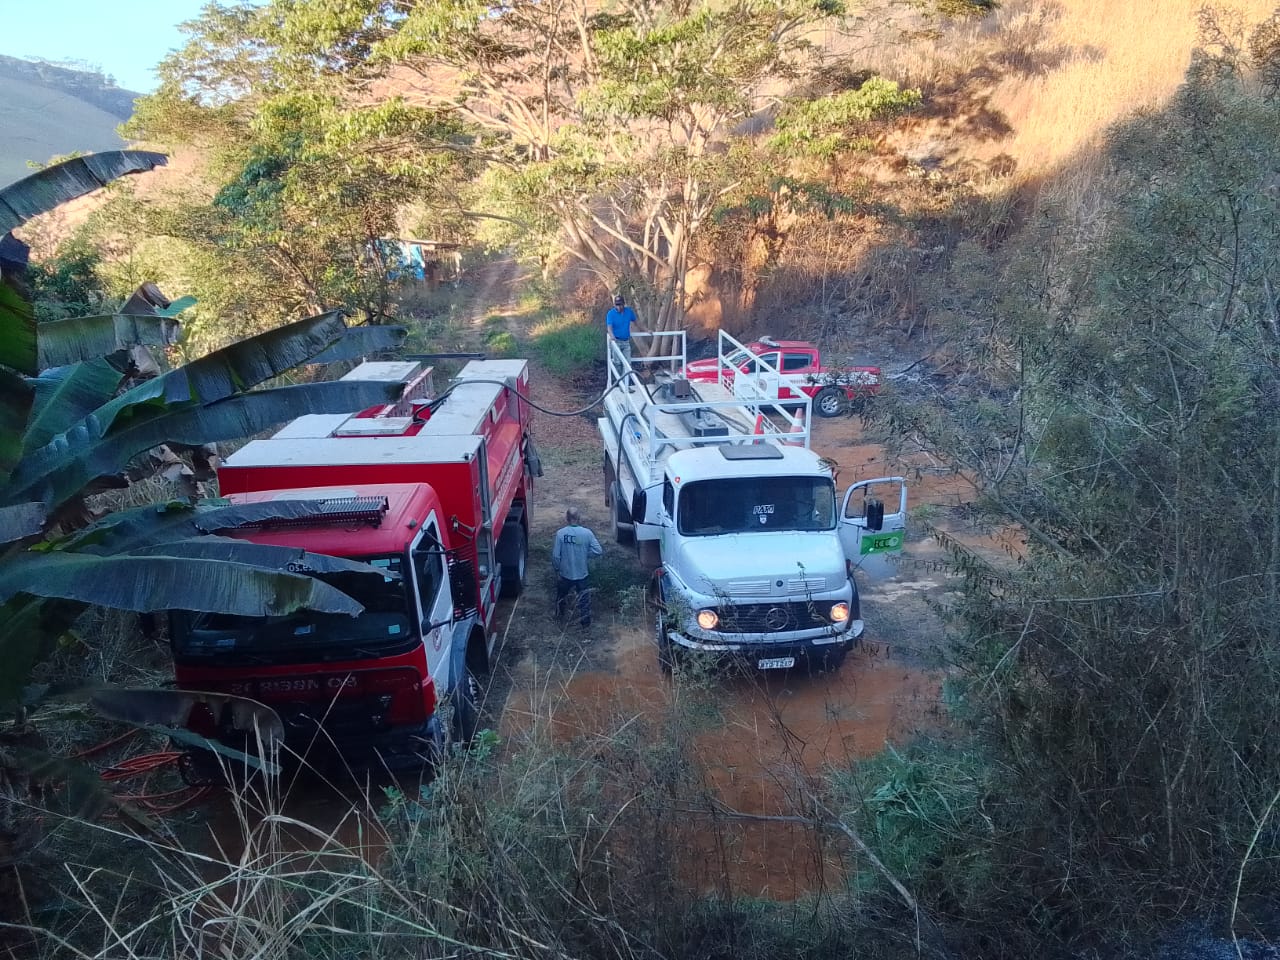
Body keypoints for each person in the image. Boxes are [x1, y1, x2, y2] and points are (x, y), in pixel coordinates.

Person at [552, 507, 604, 629]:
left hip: (565, 573)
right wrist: (586, 555)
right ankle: (585, 624)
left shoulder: (561, 534)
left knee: (561, 596)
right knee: (584, 599)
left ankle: (560, 618)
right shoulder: (587, 533)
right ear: (579, 518)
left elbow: (555, 556)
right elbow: (598, 551)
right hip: (582, 573)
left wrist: (557, 570)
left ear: (567, 518)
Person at [605, 294, 637, 390]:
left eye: (620, 305)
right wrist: (613, 337)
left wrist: (647, 330)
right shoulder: (610, 314)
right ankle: (619, 382)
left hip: (626, 342)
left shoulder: (628, 312)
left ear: (624, 304)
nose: (619, 307)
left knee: (627, 364)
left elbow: (637, 322)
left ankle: (625, 385)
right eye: (617, 305)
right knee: (617, 363)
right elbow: (609, 328)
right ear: (614, 305)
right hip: (616, 342)